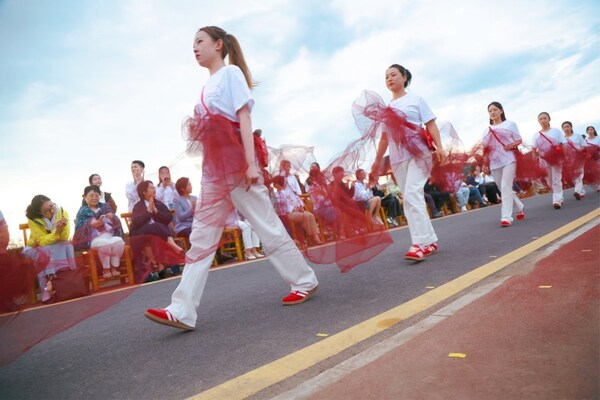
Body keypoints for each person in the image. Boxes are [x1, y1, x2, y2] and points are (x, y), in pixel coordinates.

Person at [145, 26, 319, 331]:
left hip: (238, 164)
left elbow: (244, 117)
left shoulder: (231, 73)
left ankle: (304, 280)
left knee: (265, 224)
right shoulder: (206, 86)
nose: (195, 48)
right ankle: (182, 309)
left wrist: (251, 164)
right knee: (200, 237)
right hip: (213, 171)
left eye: (200, 41)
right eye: (193, 44)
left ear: (218, 44)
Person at [367, 64, 443, 261]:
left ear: (404, 77)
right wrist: (376, 162)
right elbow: (384, 138)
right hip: (398, 157)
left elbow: (430, 124)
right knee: (412, 197)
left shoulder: (416, 100)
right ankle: (430, 241)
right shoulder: (387, 109)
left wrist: (440, 146)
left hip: (419, 152)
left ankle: (418, 244)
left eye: (393, 75)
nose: (389, 79)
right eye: (386, 77)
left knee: (411, 195)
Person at [23, 195, 77, 303]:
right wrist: (56, 232)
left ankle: (56, 285)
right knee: (46, 251)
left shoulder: (62, 212)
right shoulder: (33, 219)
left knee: (67, 246)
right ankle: (49, 287)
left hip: (56, 246)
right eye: (47, 211)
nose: (52, 210)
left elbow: (64, 238)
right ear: (39, 213)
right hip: (35, 248)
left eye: (52, 206)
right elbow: (41, 241)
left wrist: (62, 229)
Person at [482, 102, 525, 226]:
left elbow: (519, 139)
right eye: (490, 111)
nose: (493, 112)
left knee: (506, 186)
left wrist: (511, 145)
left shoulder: (510, 124)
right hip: (495, 162)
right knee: (502, 188)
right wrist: (485, 164)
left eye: (495, 109)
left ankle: (506, 217)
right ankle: (519, 205)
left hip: (509, 159)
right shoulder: (487, 130)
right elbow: (486, 149)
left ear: (501, 111)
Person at [130, 180, 183, 281]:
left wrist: (156, 211)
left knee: (155, 234)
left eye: (154, 187)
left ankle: (159, 266)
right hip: (141, 234)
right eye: (151, 187)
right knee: (156, 226)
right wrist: (149, 211)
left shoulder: (158, 203)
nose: (154, 189)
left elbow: (168, 218)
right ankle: (172, 245)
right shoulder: (138, 206)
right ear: (144, 192)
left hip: (156, 236)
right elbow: (136, 222)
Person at [74, 185, 125, 279]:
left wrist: (112, 217)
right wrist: (90, 224)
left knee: (119, 241)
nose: (94, 198)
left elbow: (116, 222)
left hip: (109, 235)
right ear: (85, 198)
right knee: (104, 243)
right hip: (94, 239)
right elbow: (79, 229)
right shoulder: (82, 212)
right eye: (91, 195)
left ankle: (114, 267)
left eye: (97, 195)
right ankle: (106, 269)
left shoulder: (105, 207)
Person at [272, 175, 322, 245]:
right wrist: (281, 191)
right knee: (305, 216)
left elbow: (293, 201)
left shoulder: (287, 192)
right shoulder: (277, 194)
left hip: (295, 211)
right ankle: (312, 236)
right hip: (288, 214)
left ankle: (315, 236)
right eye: (284, 182)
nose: (286, 183)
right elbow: (282, 206)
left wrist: (299, 207)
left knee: (309, 215)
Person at [532, 112, 566, 209]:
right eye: (541, 119)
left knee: (556, 179)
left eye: (545, 118)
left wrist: (565, 155)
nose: (543, 120)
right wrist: (533, 160)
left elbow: (563, 143)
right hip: (543, 160)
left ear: (549, 119)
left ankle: (557, 200)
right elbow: (534, 149)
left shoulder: (556, 131)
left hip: (556, 158)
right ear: (538, 121)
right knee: (549, 181)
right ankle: (559, 195)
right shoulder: (536, 135)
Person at [561, 121, 587, 200]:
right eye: (564, 127)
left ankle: (577, 191)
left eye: (567, 126)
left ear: (571, 127)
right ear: (562, 129)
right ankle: (581, 191)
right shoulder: (562, 138)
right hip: (568, 160)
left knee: (579, 174)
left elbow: (584, 146)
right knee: (574, 176)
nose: (566, 128)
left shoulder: (577, 136)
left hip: (578, 158)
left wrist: (580, 149)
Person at [585, 126, 600, 192]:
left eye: (591, 129)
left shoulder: (598, 138)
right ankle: (598, 185)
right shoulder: (586, 140)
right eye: (589, 130)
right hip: (591, 157)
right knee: (595, 171)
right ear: (587, 132)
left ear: (594, 130)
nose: (590, 131)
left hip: (598, 155)